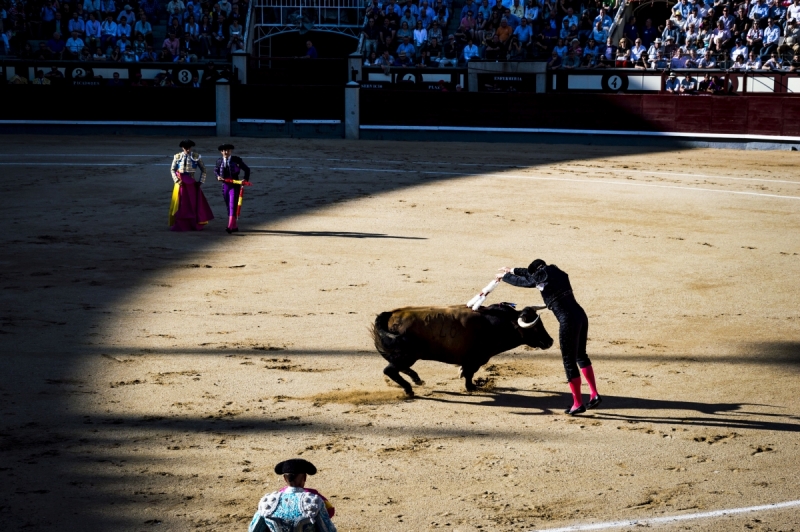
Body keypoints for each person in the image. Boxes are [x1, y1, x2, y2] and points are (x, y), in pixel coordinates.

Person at [497, 260, 600, 415]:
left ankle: (578, 404)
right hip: (581, 316)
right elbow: (528, 274)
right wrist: (512, 270)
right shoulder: (555, 272)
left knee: (569, 361)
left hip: (568, 321)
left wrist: (505, 277)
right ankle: (594, 394)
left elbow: (526, 281)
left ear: (538, 272)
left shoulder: (540, 276)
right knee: (581, 355)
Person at [249, 459, 336, 532]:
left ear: (285, 478)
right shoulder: (315, 502)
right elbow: (329, 530)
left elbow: (253, 530)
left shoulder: (268, 502)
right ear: (305, 478)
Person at [169, 140, 214, 231]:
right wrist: (177, 180)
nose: (187, 150)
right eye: (186, 148)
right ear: (182, 148)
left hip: (191, 183)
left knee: (192, 203)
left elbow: (204, 170)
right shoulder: (177, 156)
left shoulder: (196, 157)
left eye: (189, 148)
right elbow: (172, 170)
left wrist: (201, 181)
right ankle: (181, 223)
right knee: (181, 203)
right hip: (180, 183)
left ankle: (193, 222)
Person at [214, 143, 251, 234]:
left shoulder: (236, 160)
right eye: (225, 150)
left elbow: (247, 169)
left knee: (232, 205)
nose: (226, 152)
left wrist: (245, 180)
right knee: (228, 205)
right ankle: (234, 226)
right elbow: (215, 170)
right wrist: (218, 176)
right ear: (221, 152)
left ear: (231, 151)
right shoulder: (219, 161)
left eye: (228, 150)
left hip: (235, 185)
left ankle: (230, 226)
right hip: (225, 185)